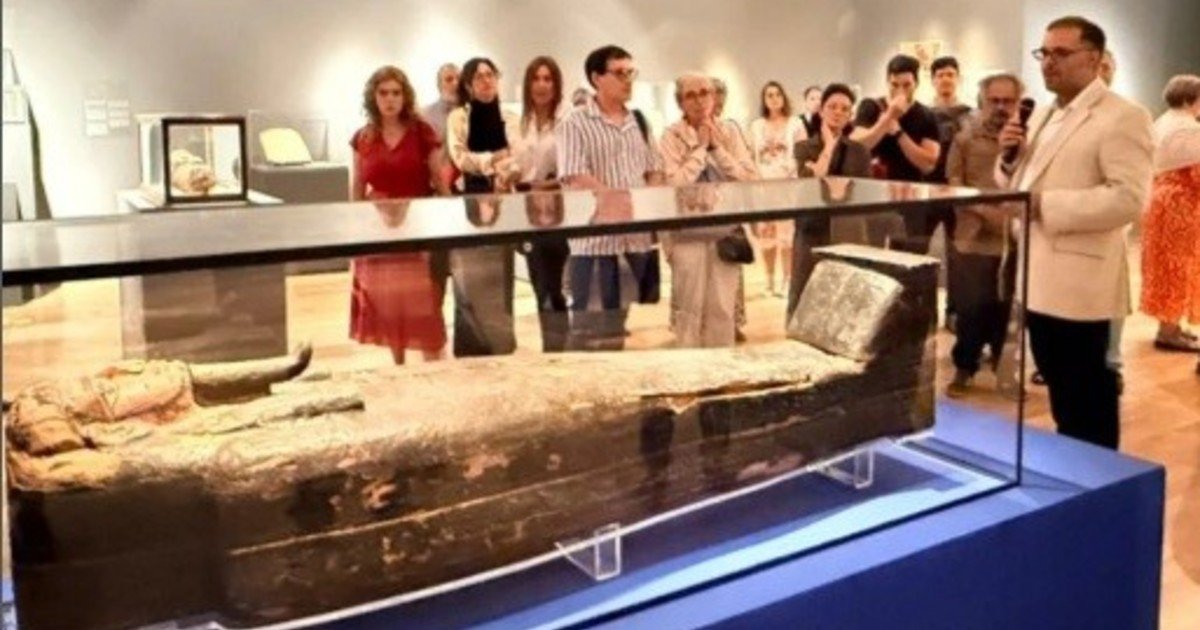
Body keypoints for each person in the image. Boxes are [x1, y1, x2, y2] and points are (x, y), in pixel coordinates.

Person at [996, 16, 1153, 449]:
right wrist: (1008, 160)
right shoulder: (1042, 114)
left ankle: (1099, 477)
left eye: (1061, 53)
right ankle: (1073, 469)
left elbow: (1128, 199)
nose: (1049, 62)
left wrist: (1043, 206)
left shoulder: (1124, 116)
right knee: (1061, 393)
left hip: (1080, 284)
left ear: (1095, 58)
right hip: (1037, 273)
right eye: (1044, 53)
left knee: (1087, 398)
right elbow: (1019, 182)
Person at [557, 45, 665, 350]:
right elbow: (574, 174)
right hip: (595, 243)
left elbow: (654, 168)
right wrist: (615, 200)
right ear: (596, 78)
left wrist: (647, 203)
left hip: (633, 241)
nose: (627, 80)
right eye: (619, 73)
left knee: (618, 327)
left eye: (630, 73)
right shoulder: (574, 123)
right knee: (590, 332)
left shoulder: (638, 122)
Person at [348, 65, 449, 365]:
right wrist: (354, 234)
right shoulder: (363, 138)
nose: (390, 99)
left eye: (396, 93)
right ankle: (399, 369)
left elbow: (439, 181)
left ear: (405, 97)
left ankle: (435, 372)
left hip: (417, 228)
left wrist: (449, 224)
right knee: (389, 307)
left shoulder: (422, 133)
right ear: (373, 97)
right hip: (378, 231)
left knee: (424, 307)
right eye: (383, 93)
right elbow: (357, 187)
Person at [659, 73, 757, 347]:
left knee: (722, 312)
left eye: (705, 92)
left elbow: (749, 178)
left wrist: (717, 149)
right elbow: (675, 184)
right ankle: (689, 370)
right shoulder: (671, 136)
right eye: (690, 95)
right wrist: (701, 149)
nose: (699, 100)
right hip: (686, 235)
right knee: (689, 313)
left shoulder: (730, 132)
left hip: (725, 234)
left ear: (714, 97)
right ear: (680, 102)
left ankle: (721, 368)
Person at [943, 73, 1024, 397]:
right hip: (972, 239)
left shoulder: (1029, 143)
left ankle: (1005, 371)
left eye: (1008, 101)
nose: (1001, 107)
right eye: (995, 101)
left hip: (1013, 238)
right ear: (982, 101)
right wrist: (987, 212)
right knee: (972, 308)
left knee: (1008, 309)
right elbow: (953, 185)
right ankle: (964, 368)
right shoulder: (964, 140)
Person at [445, 57, 520, 358]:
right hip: (469, 202)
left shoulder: (510, 117)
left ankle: (501, 343)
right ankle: (471, 346)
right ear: (468, 85)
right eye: (479, 77)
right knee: (468, 278)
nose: (486, 81)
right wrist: (493, 160)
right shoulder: (458, 118)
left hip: (503, 199)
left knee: (501, 275)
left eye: (490, 75)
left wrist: (499, 165)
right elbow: (460, 157)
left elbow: (516, 155)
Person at [787, 83, 872, 319]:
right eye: (832, 106)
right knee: (805, 291)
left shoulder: (859, 151)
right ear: (822, 110)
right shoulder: (803, 147)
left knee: (847, 295)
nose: (838, 112)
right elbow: (812, 180)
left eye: (844, 109)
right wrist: (830, 145)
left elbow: (863, 193)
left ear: (850, 114)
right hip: (812, 225)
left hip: (849, 228)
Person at [851, 54, 942, 254]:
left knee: (911, 256)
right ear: (887, 82)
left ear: (916, 83)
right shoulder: (871, 107)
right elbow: (857, 146)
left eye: (907, 85)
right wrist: (888, 118)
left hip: (911, 198)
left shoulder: (926, 116)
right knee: (872, 255)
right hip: (875, 198)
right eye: (894, 84)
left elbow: (928, 163)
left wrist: (900, 133)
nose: (900, 90)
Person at [513, 56, 570, 352]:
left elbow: (571, 172)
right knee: (540, 287)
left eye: (548, 79)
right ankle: (552, 348)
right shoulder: (517, 124)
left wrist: (546, 184)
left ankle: (559, 349)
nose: (542, 85)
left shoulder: (566, 123)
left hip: (559, 213)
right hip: (527, 213)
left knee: (555, 287)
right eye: (536, 79)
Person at [1140, 74, 1200, 352]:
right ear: (1190, 99)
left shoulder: (1162, 122)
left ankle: (1171, 325)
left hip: (1161, 199)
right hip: (1180, 205)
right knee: (1178, 266)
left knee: (1164, 265)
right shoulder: (1188, 128)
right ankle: (1169, 331)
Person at [749, 81, 805, 296]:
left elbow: (802, 154)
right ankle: (769, 278)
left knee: (787, 238)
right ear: (764, 100)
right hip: (764, 187)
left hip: (788, 187)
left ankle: (787, 279)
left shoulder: (795, 124)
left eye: (777, 94)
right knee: (767, 235)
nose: (774, 99)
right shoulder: (756, 126)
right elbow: (751, 156)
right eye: (769, 95)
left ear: (784, 97)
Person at [712, 75, 752, 341]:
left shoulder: (730, 129)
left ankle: (732, 322)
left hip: (727, 207)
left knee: (731, 265)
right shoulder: (678, 132)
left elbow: (746, 171)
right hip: (696, 212)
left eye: (719, 100)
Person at [421, 63, 460, 143]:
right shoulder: (426, 115)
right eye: (449, 80)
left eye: (459, 79)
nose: (456, 83)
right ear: (439, 86)